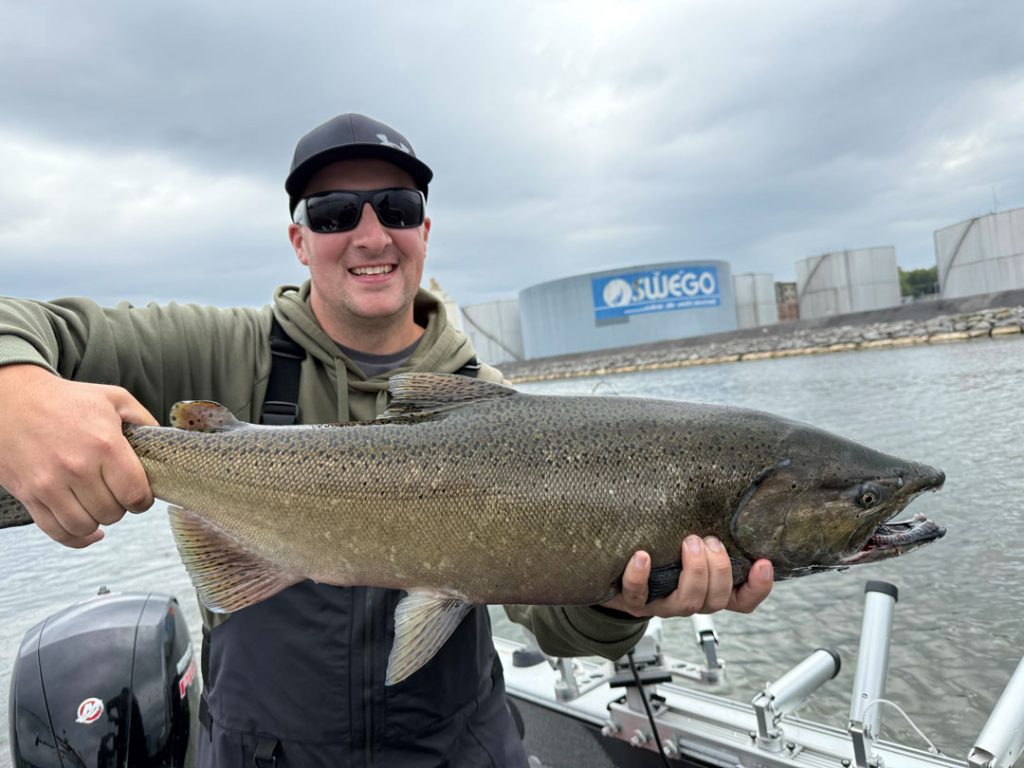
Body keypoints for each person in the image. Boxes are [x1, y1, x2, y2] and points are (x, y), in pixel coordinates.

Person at [0, 113, 774, 767]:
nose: (371, 235)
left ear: (424, 230)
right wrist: (17, 394)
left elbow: (560, 628)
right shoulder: (222, 349)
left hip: (455, 749)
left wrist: (624, 600)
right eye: (335, 213)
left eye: (396, 208)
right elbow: (25, 322)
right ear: (300, 240)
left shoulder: (496, 407)